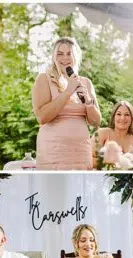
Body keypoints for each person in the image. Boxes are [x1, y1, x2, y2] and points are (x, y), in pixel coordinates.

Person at [32, 37, 101, 170]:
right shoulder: (44, 79)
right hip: (53, 152)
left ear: (76, 57)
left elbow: (96, 122)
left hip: (80, 153)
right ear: (53, 57)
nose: (65, 58)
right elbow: (42, 117)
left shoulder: (85, 82)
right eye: (60, 54)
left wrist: (88, 102)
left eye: (69, 53)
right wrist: (68, 91)